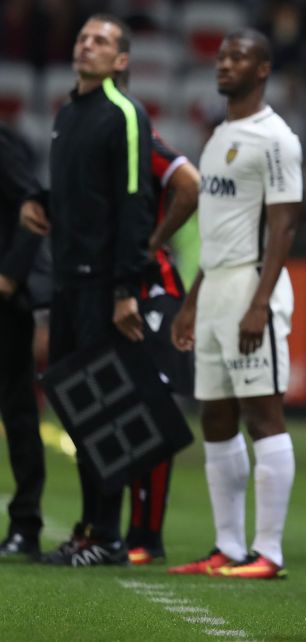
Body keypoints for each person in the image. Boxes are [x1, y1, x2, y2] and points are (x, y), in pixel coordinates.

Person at [166, 29, 302, 580]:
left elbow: (285, 222)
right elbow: (217, 232)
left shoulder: (276, 138)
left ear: (263, 69)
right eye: (221, 56)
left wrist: (259, 304)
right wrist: (192, 300)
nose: (224, 64)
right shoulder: (220, 133)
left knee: (263, 414)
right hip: (216, 285)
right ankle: (227, 547)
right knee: (216, 416)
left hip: (252, 288)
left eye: (238, 57)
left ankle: (268, 552)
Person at [19, 13, 155, 566]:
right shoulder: (68, 112)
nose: (87, 45)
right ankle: (88, 528)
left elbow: (133, 203)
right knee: (77, 411)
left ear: (121, 61)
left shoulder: (125, 115)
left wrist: (126, 288)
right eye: (82, 38)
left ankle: (108, 535)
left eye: (101, 41)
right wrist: (41, 201)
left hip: (103, 288)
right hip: (69, 286)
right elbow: (79, 192)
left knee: (104, 411)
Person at [120, 64, 201, 565]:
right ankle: (113, 528)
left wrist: (149, 247)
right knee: (121, 412)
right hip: (113, 290)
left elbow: (187, 185)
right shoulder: (91, 152)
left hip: (157, 291)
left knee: (154, 411)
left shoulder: (143, 142)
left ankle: (146, 536)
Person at [0, 123, 45, 560]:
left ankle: (25, 524)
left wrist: (10, 276)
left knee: (16, 411)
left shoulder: (4, 146)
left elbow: (36, 208)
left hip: (4, 307)